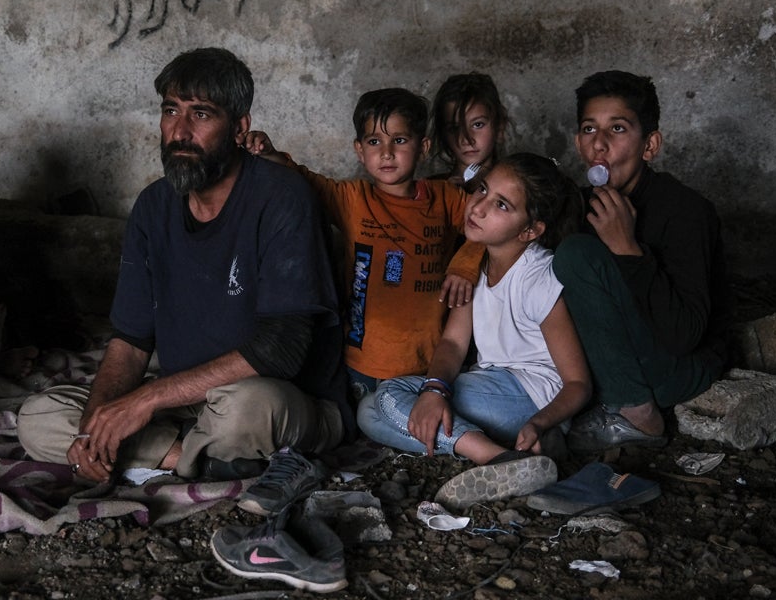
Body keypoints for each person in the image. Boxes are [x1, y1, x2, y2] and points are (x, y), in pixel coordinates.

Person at [16, 48, 349, 512]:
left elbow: (283, 348)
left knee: (247, 411)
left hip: (284, 401)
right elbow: (130, 341)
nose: (180, 130)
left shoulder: (282, 197)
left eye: (201, 114)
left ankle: (165, 457)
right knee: (40, 417)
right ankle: (202, 462)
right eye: (170, 110)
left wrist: (146, 401)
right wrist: (95, 429)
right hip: (187, 403)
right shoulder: (153, 206)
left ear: (238, 128)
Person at [356, 154, 590, 506]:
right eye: (481, 189)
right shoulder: (473, 265)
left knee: (391, 395)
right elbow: (453, 341)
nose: (477, 207)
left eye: (501, 204)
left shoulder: (538, 278)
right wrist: (434, 391)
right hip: (494, 390)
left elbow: (577, 383)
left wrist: (540, 423)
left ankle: (496, 459)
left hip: (533, 399)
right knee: (370, 412)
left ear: (530, 230)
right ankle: (505, 456)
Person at [245, 88, 483, 400]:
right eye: (374, 142)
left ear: (423, 147)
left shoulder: (445, 198)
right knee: (368, 421)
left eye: (399, 140)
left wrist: (465, 266)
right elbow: (303, 179)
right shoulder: (353, 199)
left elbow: (489, 225)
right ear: (359, 150)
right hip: (362, 362)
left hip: (428, 362)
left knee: (413, 417)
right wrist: (270, 154)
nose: (386, 152)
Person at [553, 70, 731, 450]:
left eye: (617, 129)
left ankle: (636, 414)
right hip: (612, 357)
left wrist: (627, 249)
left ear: (649, 145)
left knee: (575, 254)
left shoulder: (686, 211)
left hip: (679, 369)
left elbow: (685, 336)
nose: (599, 144)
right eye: (588, 129)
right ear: (578, 143)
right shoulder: (577, 206)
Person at [429, 73, 509, 187]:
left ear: (499, 127)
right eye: (454, 128)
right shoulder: (431, 191)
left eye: (478, 124)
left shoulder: (516, 191)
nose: (466, 139)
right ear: (444, 135)